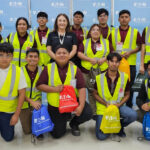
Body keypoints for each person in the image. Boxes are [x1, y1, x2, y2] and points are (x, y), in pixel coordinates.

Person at [36, 45, 92, 138]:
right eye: (59, 53)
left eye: (64, 53)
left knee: (87, 112)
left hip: (72, 102)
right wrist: (54, 89)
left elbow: (81, 87)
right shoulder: (48, 68)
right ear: (55, 55)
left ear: (69, 55)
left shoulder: (75, 68)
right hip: (56, 105)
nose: (62, 55)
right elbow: (39, 86)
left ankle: (74, 123)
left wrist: (81, 106)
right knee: (57, 134)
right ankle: (62, 118)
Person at [93, 52, 137, 141]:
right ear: (107, 62)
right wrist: (105, 103)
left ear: (119, 63)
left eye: (116, 62)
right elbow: (95, 93)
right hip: (104, 107)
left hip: (118, 106)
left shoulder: (125, 77)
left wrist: (119, 104)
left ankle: (119, 126)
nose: (114, 64)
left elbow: (127, 94)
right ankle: (109, 124)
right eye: (112, 61)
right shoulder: (99, 77)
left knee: (133, 115)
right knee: (101, 137)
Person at [78, 24, 114, 116]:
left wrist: (104, 59)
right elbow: (79, 53)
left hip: (103, 71)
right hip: (87, 71)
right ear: (90, 32)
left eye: (98, 30)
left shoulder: (106, 42)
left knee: (102, 91)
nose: (95, 31)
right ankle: (94, 113)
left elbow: (112, 53)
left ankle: (104, 111)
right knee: (91, 91)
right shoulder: (85, 42)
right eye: (93, 29)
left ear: (100, 32)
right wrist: (89, 59)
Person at [109, 10, 141, 108]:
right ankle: (115, 105)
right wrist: (116, 54)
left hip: (130, 64)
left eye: (126, 17)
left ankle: (129, 105)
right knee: (114, 85)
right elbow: (109, 47)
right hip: (115, 64)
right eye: (122, 17)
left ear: (129, 19)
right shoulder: (113, 32)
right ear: (118, 19)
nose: (124, 19)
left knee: (129, 86)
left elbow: (140, 46)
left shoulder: (135, 32)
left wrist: (130, 52)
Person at [0, 42, 26, 142]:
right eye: (1, 55)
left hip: (8, 110)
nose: (4, 58)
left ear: (12, 56)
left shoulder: (18, 71)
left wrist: (16, 114)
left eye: (8, 55)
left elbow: (22, 93)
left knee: (8, 137)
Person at [19, 48, 43, 139]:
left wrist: (70, 63)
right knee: (27, 131)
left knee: (38, 128)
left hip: (37, 102)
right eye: (30, 56)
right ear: (26, 58)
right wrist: (30, 101)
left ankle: (38, 127)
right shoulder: (19, 71)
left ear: (39, 59)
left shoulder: (43, 70)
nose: (33, 58)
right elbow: (17, 92)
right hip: (23, 103)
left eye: (35, 56)